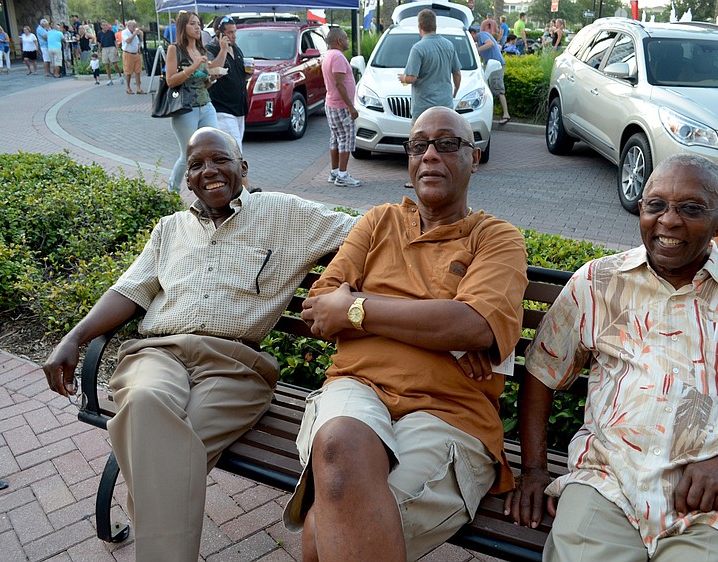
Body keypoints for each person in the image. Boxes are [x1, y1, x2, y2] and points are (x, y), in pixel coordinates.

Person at [43, 127, 358, 562]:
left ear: (242, 167)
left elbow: (367, 231)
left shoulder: (287, 215)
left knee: (154, 444)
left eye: (220, 159)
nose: (208, 171)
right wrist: (74, 336)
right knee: (147, 403)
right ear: (186, 177)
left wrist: (354, 290)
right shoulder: (169, 229)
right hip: (158, 353)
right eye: (196, 164)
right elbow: (130, 288)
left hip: (235, 367)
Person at [505, 153, 718, 562]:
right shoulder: (597, 282)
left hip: (715, 504)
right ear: (641, 209)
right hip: (607, 483)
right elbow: (543, 370)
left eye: (690, 208)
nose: (669, 220)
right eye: (656, 205)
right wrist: (534, 470)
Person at [283, 106, 528, 561]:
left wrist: (354, 309)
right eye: (419, 145)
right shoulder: (378, 222)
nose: (430, 155)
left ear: (474, 158)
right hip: (356, 389)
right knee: (339, 444)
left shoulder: (496, 238)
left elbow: (471, 325)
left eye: (447, 144)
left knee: (328, 521)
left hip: (449, 413)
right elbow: (318, 311)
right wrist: (436, 329)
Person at [398, 8, 462, 187]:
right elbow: (457, 73)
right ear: (435, 25)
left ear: (420, 26)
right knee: (444, 143)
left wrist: (403, 78)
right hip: (445, 105)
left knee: (418, 144)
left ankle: (416, 179)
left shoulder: (418, 48)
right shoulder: (449, 45)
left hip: (423, 107)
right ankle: (447, 176)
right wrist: (455, 91)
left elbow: (411, 77)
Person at [164, 11, 218, 193]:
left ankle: (207, 191)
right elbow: (170, 80)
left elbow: (204, 83)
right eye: (193, 24)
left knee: (213, 147)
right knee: (189, 154)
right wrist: (193, 66)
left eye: (199, 24)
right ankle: (172, 191)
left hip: (206, 105)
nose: (198, 28)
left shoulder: (203, 50)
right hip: (185, 109)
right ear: (183, 27)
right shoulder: (175, 49)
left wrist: (212, 78)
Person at [206, 14, 247, 185]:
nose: (233, 35)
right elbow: (213, 70)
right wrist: (222, 49)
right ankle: (243, 187)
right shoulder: (211, 49)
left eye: (234, 32)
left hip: (239, 107)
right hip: (223, 108)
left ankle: (235, 185)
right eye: (229, 32)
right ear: (219, 34)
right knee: (235, 150)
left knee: (236, 149)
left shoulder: (236, 48)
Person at [322, 28, 361, 187]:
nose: (347, 41)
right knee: (345, 139)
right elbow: (339, 84)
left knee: (336, 139)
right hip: (341, 106)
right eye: (345, 38)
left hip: (332, 103)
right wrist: (351, 107)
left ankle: (335, 172)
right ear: (338, 41)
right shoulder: (337, 57)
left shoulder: (329, 55)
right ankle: (342, 175)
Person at [470, 27, 510, 125]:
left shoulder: (482, 35)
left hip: (496, 65)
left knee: (498, 89)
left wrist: (477, 50)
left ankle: (506, 114)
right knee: (489, 89)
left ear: (473, 32)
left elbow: (490, 43)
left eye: (470, 35)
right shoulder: (478, 41)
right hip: (489, 65)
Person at [121, 20, 145, 94]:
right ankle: (128, 88)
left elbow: (139, 42)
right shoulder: (125, 32)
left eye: (135, 26)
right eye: (133, 26)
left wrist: (141, 35)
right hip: (128, 53)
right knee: (128, 72)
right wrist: (134, 33)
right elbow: (128, 41)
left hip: (136, 54)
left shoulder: (134, 33)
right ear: (128, 26)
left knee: (138, 71)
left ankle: (138, 88)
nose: (134, 28)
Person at [97, 20, 120, 85]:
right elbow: (99, 43)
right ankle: (109, 79)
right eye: (103, 25)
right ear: (101, 26)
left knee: (115, 64)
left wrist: (116, 49)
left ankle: (120, 75)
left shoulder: (111, 32)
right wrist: (99, 52)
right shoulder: (99, 33)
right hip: (104, 48)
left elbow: (115, 41)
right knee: (107, 64)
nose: (105, 26)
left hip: (111, 47)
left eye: (106, 25)